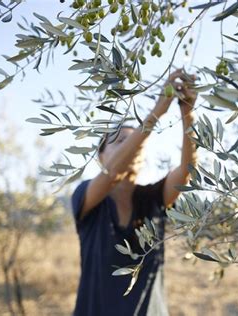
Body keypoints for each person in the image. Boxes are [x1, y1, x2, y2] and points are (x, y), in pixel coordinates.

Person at [70, 68, 198, 316]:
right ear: (101, 156)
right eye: (120, 143)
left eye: (137, 142)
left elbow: (187, 171)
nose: (132, 148)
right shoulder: (86, 197)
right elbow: (113, 172)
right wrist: (156, 113)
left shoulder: (153, 199)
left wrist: (187, 112)